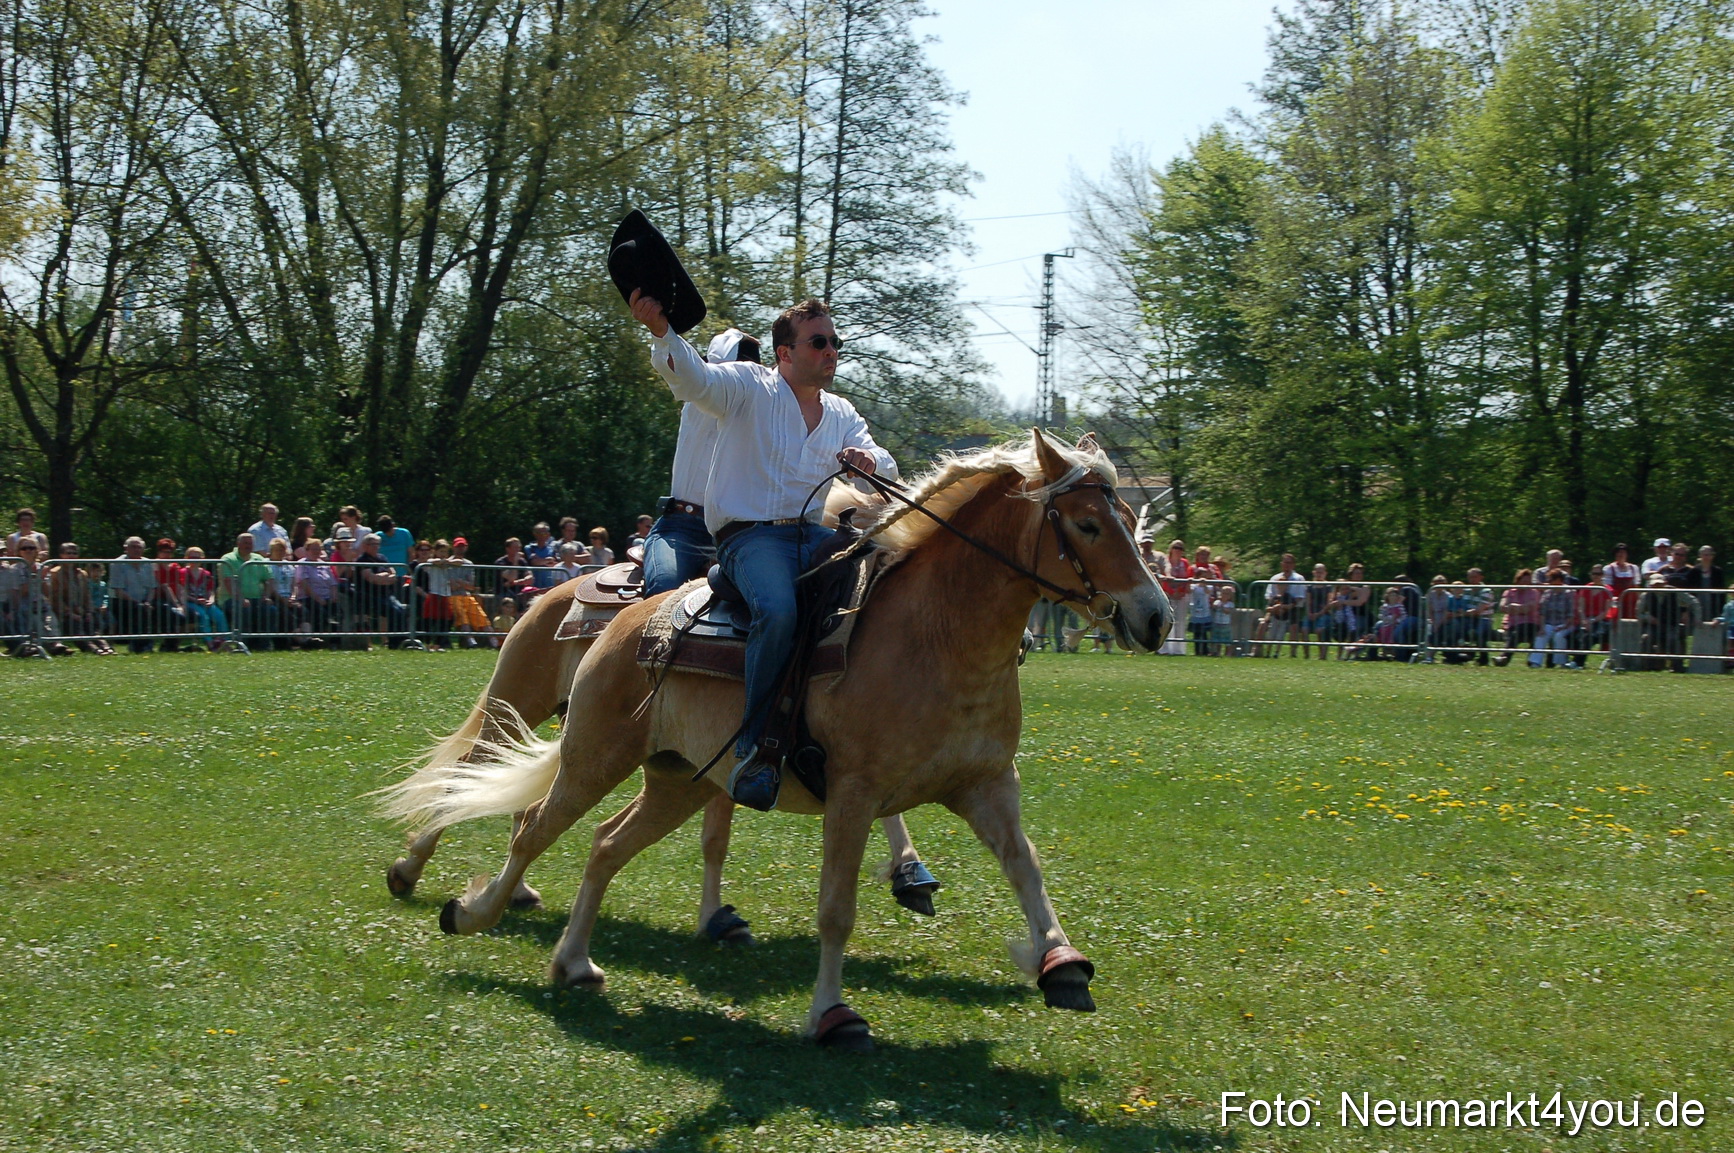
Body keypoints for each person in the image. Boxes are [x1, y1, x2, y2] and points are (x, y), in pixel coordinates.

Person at [633, 289, 895, 810]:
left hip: (814, 537)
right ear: (784, 354)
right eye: (819, 341)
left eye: (835, 341)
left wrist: (868, 461)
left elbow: (883, 462)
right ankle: (755, 752)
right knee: (776, 610)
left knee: (885, 575)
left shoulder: (842, 412)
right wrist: (664, 333)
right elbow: (695, 380)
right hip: (749, 539)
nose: (831, 350)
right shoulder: (748, 387)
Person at [220, 532, 278, 650]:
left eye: (250, 543)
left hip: (257, 598)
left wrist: (266, 596)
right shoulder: (228, 559)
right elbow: (228, 582)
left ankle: (264, 644)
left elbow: (269, 580)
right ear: (238, 544)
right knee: (244, 609)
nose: (248, 546)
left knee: (270, 610)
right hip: (232, 599)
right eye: (245, 543)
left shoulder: (259, 559)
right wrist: (240, 598)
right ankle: (243, 644)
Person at [109, 536, 157, 653]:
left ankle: (169, 645)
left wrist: (148, 602)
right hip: (122, 602)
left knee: (164, 609)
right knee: (139, 610)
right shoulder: (118, 563)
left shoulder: (147, 563)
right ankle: (140, 646)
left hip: (144, 601)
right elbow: (118, 591)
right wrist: (139, 603)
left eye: (139, 547)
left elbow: (152, 588)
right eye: (133, 547)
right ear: (126, 548)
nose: (137, 550)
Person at [444, 537, 494, 646]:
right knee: (461, 614)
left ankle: (493, 640)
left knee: (480, 614)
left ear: (466, 547)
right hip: (452, 597)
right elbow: (450, 586)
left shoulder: (469, 563)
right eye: (458, 547)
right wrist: (462, 584)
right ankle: (470, 639)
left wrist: (459, 583)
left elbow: (471, 586)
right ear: (453, 547)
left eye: (462, 546)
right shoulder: (447, 563)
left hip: (466, 596)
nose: (460, 549)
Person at [181, 546, 230, 651]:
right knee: (203, 617)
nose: (194, 559)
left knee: (219, 615)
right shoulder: (183, 572)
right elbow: (182, 592)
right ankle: (210, 643)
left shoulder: (206, 574)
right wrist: (196, 600)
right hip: (190, 602)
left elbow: (210, 591)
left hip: (204, 602)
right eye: (191, 557)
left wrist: (211, 600)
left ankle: (225, 642)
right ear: (186, 558)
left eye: (197, 557)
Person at [294, 538, 342, 644]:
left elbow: (333, 583)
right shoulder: (302, 564)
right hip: (309, 598)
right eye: (313, 549)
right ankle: (316, 639)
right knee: (321, 612)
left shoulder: (324, 564)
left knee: (339, 612)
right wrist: (318, 598)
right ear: (307, 550)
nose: (316, 552)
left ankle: (335, 643)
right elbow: (304, 584)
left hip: (327, 598)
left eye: (318, 549)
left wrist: (334, 596)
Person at [1531, 568, 1581, 668]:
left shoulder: (1570, 592)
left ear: (1559, 580)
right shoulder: (1547, 593)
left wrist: (1564, 626)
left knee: (1559, 636)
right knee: (1541, 636)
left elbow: (1571, 613)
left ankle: (1560, 663)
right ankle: (1535, 662)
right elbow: (1542, 612)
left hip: (1566, 623)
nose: (1549, 582)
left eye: (1551, 580)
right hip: (1550, 623)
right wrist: (1542, 628)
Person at [151, 538, 190, 652]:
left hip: (174, 599)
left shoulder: (175, 566)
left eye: (169, 552)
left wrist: (183, 604)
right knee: (172, 613)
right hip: (159, 598)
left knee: (193, 615)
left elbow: (180, 586)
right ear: (159, 552)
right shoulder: (155, 565)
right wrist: (177, 605)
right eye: (164, 551)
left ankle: (174, 644)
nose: (167, 554)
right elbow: (164, 586)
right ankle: (169, 644)